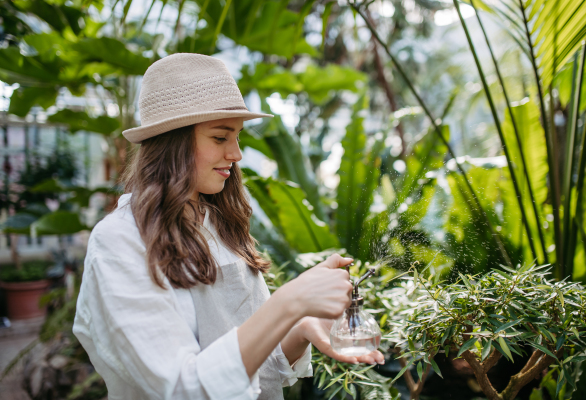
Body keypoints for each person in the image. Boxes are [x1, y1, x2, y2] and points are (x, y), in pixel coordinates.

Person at [73, 53, 384, 400]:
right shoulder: (120, 242)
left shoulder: (219, 225)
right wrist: (289, 303)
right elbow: (181, 388)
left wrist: (301, 328)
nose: (236, 153)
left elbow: (259, 368)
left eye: (236, 137)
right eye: (220, 138)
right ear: (171, 143)